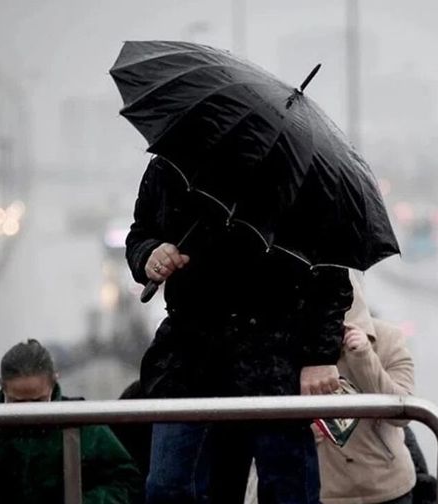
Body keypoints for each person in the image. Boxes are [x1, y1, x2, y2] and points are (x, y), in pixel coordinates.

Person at [126, 156, 354, 503]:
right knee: (169, 487)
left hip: (274, 360)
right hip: (191, 358)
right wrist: (150, 255)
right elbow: (141, 234)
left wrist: (319, 357)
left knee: (286, 489)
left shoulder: (302, 172)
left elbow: (331, 275)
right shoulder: (173, 163)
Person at [0, 339, 142, 504]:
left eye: (38, 401)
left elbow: (127, 480)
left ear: (54, 382)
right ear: (1, 387)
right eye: (17, 402)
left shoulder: (82, 423)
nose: (29, 412)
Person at [315, 271, 416, 504]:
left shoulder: (388, 338)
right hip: (323, 489)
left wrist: (363, 358)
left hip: (385, 486)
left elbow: (404, 411)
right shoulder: (290, 343)